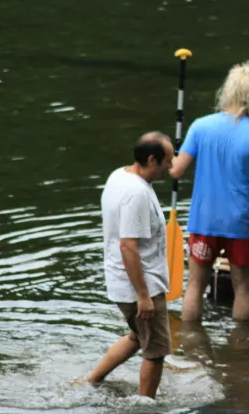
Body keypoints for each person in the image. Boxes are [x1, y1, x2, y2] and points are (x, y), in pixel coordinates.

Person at [170, 60, 249, 323]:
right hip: (240, 226)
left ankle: (191, 344)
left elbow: (176, 171)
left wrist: (171, 151)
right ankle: (241, 345)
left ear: (227, 91)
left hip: (204, 222)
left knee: (195, 286)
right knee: (243, 289)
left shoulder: (199, 127)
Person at [85, 131, 175, 398]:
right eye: (168, 161)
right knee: (156, 350)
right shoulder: (136, 193)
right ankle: (146, 404)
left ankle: (92, 380)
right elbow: (128, 246)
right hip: (140, 285)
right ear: (152, 160)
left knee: (138, 337)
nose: (171, 166)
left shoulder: (119, 175)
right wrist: (143, 295)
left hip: (121, 280)